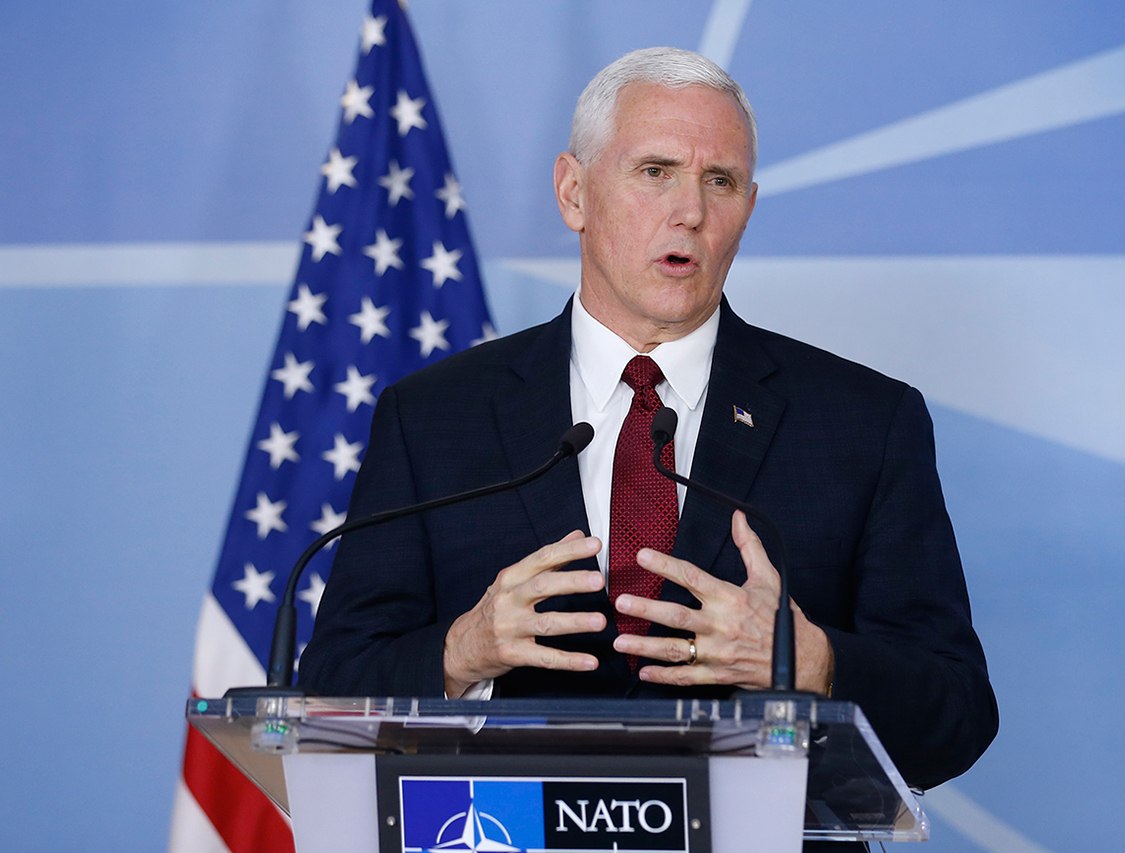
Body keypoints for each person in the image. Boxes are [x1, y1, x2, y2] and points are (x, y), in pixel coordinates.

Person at [299, 47, 997, 791]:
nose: (691, 212)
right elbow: (329, 690)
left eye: (719, 181)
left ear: (747, 210)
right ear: (574, 193)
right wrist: (462, 649)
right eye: (655, 171)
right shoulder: (435, 417)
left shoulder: (864, 424)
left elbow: (955, 715)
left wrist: (812, 661)